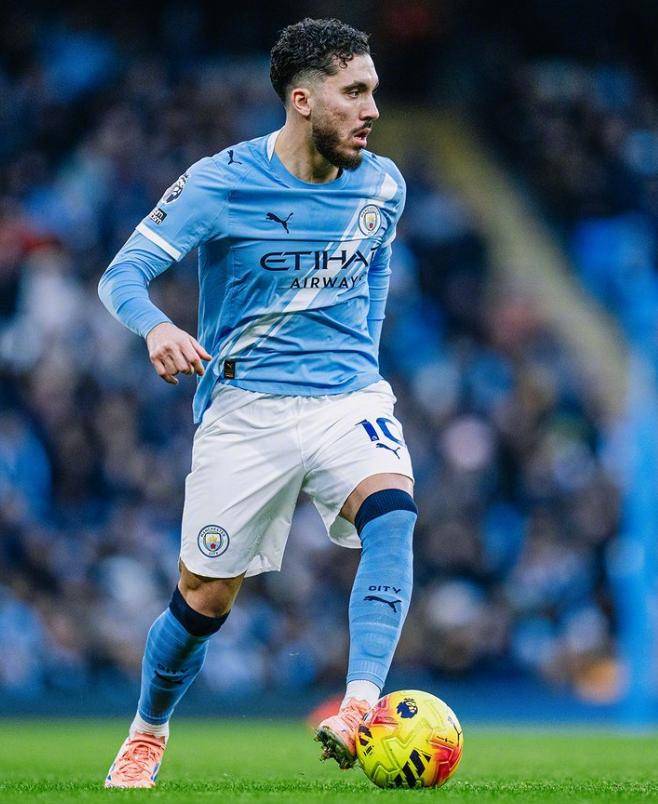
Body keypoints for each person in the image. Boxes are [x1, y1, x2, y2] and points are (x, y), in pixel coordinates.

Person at [99, 17, 416, 788]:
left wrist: (362, 357)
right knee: (204, 600)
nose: (372, 109)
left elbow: (373, 271)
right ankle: (148, 730)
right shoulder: (220, 181)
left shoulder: (384, 185)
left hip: (347, 397)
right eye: (354, 92)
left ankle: (361, 705)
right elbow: (121, 276)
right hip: (246, 408)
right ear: (303, 100)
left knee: (393, 514)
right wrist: (158, 328)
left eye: (373, 90)